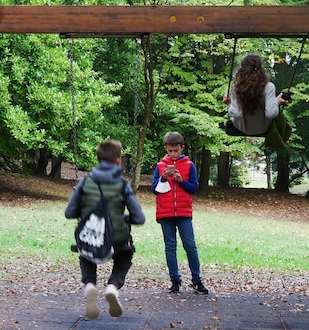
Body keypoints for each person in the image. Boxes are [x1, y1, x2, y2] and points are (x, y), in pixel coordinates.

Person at [65, 139, 146, 319]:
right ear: (118, 161)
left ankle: (90, 286)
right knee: (125, 255)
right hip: (117, 239)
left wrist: (86, 213)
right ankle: (112, 287)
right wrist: (125, 218)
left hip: (91, 237)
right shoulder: (122, 185)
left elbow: (69, 212)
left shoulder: (85, 183)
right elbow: (139, 218)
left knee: (86, 254)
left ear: (98, 159)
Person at [151, 131, 209, 295]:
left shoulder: (189, 165)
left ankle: (197, 280)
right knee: (170, 247)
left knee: (190, 246)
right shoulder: (160, 166)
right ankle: (175, 280)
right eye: (170, 151)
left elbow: (194, 188)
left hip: (183, 211)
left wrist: (181, 181)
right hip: (165, 212)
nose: (173, 154)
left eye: (176, 150)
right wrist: (163, 178)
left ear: (182, 148)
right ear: (166, 149)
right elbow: (154, 190)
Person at [222, 53, 289, 135]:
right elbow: (271, 114)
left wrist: (229, 103)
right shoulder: (269, 87)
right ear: (261, 68)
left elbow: (236, 113)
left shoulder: (236, 87)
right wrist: (277, 102)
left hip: (241, 128)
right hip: (263, 129)